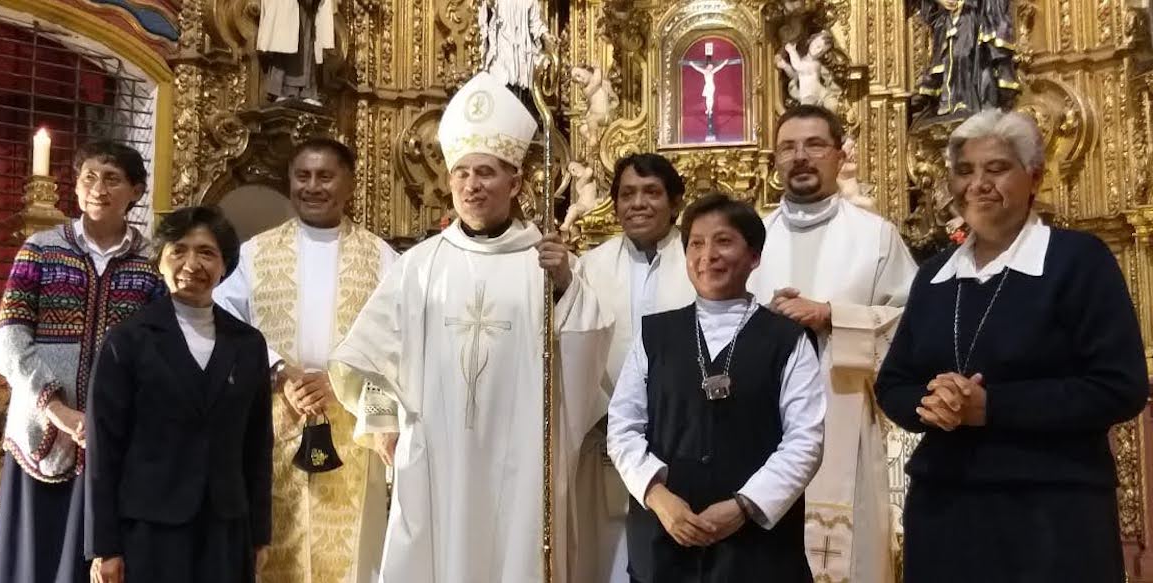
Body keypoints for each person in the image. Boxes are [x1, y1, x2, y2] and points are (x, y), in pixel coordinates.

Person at [327, 71, 613, 583]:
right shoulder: (420, 267)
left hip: (527, 457)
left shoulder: (547, 264)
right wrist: (385, 422)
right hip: (437, 460)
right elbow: (359, 361)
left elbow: (587, 357)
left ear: (516, 183)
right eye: (461, 173)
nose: (471, 185)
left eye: (486, 173)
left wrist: (566, 282)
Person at [876, 109, 1148, 582]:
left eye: (996, 168)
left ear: (1034, 176)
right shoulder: (936, 274)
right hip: (946, 508)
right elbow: (894, 382)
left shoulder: (1078, 262)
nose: (977, 184)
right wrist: (931, 404)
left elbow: (1119, 386)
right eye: (964, 171)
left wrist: (991, 407)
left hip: (1052, 509)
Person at [608, 193, 826, 582]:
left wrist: (745, 506)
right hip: (664, 540)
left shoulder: (787, 338)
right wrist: (659, 498)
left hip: (758, 549)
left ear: (754, 256)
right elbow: (623, 428)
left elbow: (805, 439)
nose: (707, 255)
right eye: (696, 243)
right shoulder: (654, 334)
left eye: (723, 241)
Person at [213, 138, 397, 583]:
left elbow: (401, 341)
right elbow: (223, 323)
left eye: (325, 176)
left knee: (354, 557)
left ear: (350, 184)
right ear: (289, 182)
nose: (312, 186)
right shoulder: (256, 254)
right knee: (279, 549)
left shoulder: (384, 259)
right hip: (276, 422)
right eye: (303, 176)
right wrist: (279, 371)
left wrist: (339, 383)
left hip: (354, 428)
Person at [747, 104, 916, 583]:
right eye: (788, 147)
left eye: (814, 145)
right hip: (757, 435)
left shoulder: (875, 237)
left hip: (846, 428)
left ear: (841, 154)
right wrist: (762, 322)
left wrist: (832, 318)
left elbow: (911, 326)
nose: (800, 157)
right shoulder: (746, 237)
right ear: (774, 159)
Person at [0, 141, 163, 583]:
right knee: (34, 563)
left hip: (116, 443)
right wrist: (57, 407)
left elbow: (160, 352)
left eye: (112, 178)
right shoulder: (41, 249)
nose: (98, 188)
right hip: (40, 438)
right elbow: (6, 339)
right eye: (89, 177)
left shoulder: (153, 263)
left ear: (136, 190)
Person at [85, 206, 273, 583]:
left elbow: (258, 446)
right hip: (150, 525)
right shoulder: (128, 340)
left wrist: (260, 534)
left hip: (226, 525)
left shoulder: (249, 344)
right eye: (179, 250)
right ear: (160, 262)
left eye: (206, 252)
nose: (192, 263)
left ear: (225, 265)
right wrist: (105, 547)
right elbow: (104, 449)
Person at [577, 152, 697, 582]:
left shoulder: (699, 260)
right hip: (604, 432)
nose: (638, 203)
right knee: (607, 555)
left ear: (676, 202)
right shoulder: (589, 268)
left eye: (651, 192)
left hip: (684, 439)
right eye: (627, 194)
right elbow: (573, 349)